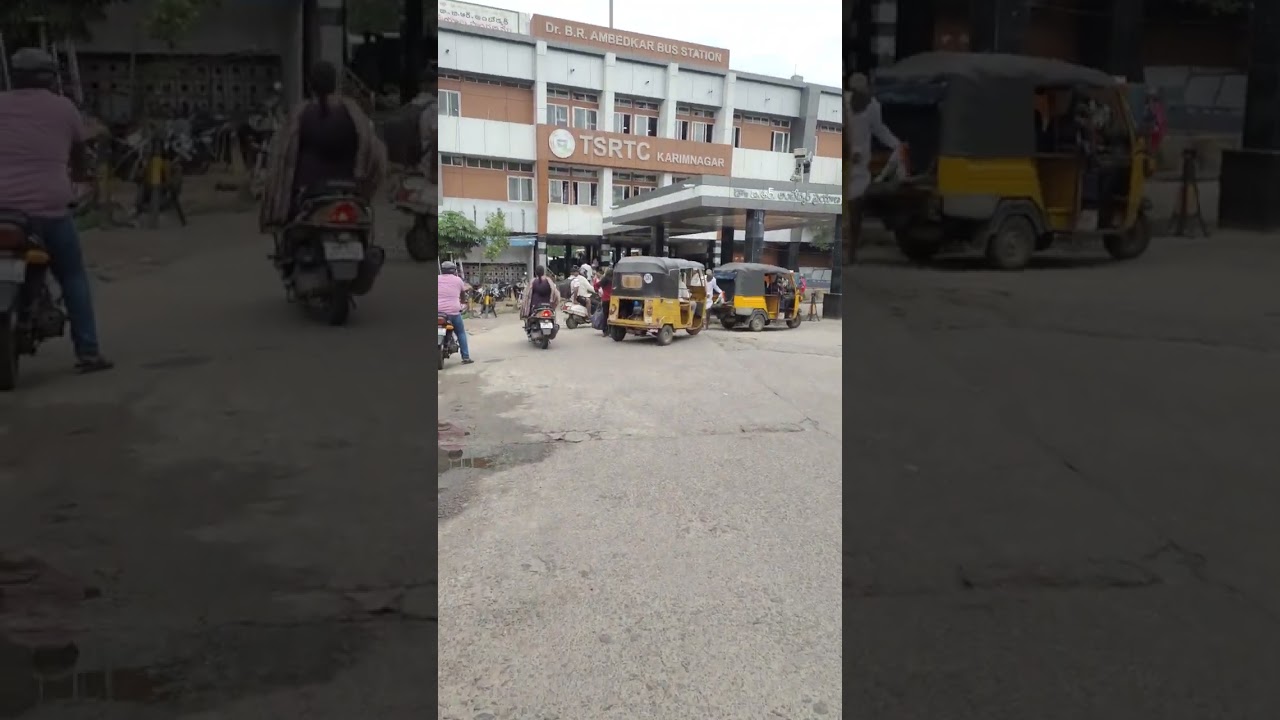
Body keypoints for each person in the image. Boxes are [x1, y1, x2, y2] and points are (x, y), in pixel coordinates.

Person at [0, 48, 112, 373]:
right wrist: (79, 181)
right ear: (50, 77)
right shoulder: (64, 108)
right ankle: (88, 352)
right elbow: (78, 155)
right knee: (73, 275)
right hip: (48, 209)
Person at [259, 60, 388, 231]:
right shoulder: (355, 115)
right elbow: (377, 157)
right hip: (348, 190)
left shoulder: (300, 115)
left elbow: (280, 158)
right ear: (336, 83)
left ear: (310, 84)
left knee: (289, 230)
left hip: (308, 192)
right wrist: (365, 186)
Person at [848, 72, 901, 265]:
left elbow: (879, 130)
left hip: (860, 167)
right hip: (844, 162)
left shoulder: (873, 106)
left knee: (855, 211)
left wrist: (896, 145)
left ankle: (851, 253)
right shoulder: (843, 104)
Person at [437, 261, 473, 364]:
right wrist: (462, 303)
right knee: (461, 332)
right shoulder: (458, 281)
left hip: (437, 312)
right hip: (453, 312)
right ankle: (465, 357)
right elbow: (462, 295)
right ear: (454, 270)